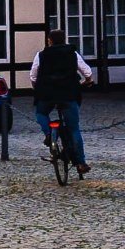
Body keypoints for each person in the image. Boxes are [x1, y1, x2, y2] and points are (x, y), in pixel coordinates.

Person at [29, 29, 96, 174]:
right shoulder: (72, 54)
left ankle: (48, 134)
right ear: (63, 40)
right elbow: (88, 72)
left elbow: (33, 76)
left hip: (46, 94)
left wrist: (38, 88)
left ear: (49, 41)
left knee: (41, 113)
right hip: (68, 93)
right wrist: (88, 81)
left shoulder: (41, 55)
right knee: (74, 129)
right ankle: (81, 163)